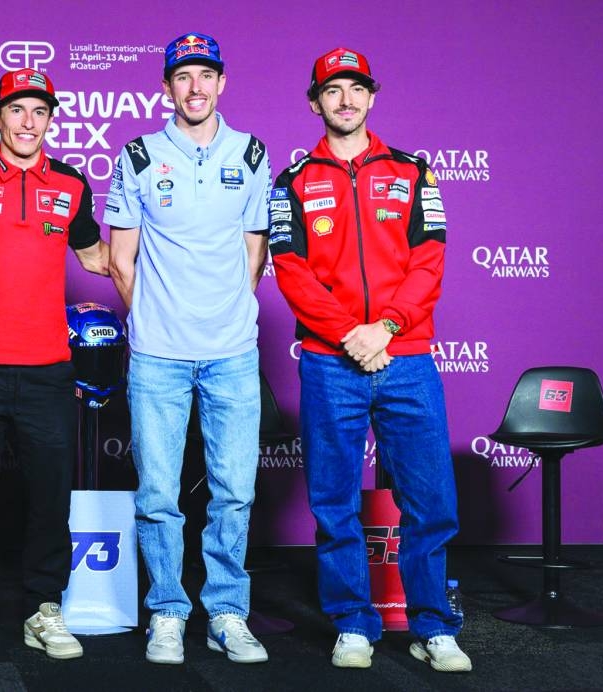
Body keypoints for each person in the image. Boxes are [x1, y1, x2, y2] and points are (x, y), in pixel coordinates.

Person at [269, 47, 471, 672]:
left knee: (430, 499)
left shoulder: (414, 172)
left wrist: (383, 328)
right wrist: (350, 333)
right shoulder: (293, 181)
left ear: (372, 98)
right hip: (332, 362)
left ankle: (435, 626)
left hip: (405, 356)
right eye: (333, 91)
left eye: (356, 89)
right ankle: (353, 623)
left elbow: (429, 262)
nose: (346, 100)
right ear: (315, 102)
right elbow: (291, 271)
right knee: (334, 502)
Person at [0, 68, 109, 663]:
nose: (28, 121)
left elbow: (98, 257)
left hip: (49, 369)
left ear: (50, 119)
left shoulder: (73, 184)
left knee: (50, 497)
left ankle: (44, 609)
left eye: (39, 111)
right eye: (17, 110)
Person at [104, 32, 271, 665]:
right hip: (157, 355)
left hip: (232, 350)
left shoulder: (252, 153)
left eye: (206, 75)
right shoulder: (141, 155)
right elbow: (122, 260)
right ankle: (168, 612)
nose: (195, 87)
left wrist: (226, 311)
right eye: (183, 77)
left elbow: (255, 252)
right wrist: (158, 317)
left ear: (222, 83)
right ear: (166, 86)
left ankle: (228, 612)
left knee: (233, 489)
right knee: (158, 493)